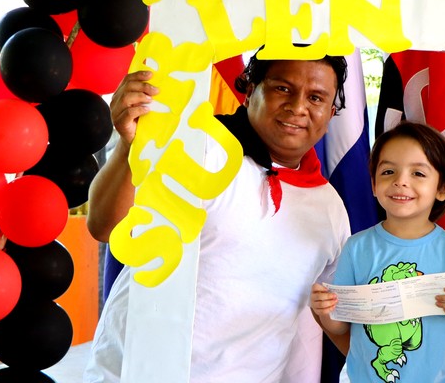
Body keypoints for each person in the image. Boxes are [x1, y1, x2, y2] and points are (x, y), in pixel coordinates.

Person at [84, 50, 353, 383]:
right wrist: (130, 146)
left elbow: (320, 320)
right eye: (282, 88)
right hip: (132, 374)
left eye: (316, 97)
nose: (298, 107)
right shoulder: (194, 147)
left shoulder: (330, 209)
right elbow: (105, 226)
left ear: (331, 113)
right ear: (250, 88)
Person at [309, 122, 445, 383]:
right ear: (373, 185)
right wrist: (326, 311)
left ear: (442, 189)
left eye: (418, 173)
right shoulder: (356, 248)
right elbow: (339, 326)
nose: (400, 181)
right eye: (388, 171)